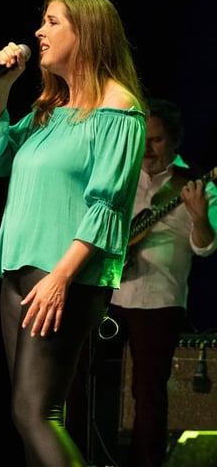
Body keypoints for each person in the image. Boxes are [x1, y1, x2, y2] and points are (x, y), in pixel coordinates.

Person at [0, 0, 146, 465]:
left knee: (33, 412)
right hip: (19, 270)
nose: (38, 33)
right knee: (36, 415)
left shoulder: (117, 109)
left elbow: (106, 204)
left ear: (85, 32)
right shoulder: (51, 111)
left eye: (51, 22)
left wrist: (62, 277)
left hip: (63, 275)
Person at [69, 97, 217, 467]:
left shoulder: (197, 185)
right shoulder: (121, 177)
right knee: (84, 379)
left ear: (174, 140)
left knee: (149, 394)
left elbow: (205, 249)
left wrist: (199, 218)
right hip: (110, 295)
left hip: (160, 302)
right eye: (144, 140)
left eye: (157, 140)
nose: (148, 149)